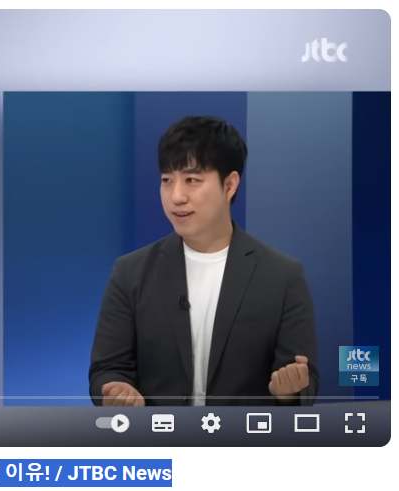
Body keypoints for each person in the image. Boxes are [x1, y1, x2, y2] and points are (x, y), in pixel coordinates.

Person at [88, 116, 319, 407]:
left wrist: (288, 391)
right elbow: (106, 369)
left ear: (230, 185)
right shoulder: (130, 273)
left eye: (192, 180)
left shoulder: (282, 276)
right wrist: (118, 391)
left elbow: (305, 382)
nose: (176, 196)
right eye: (167, 180)